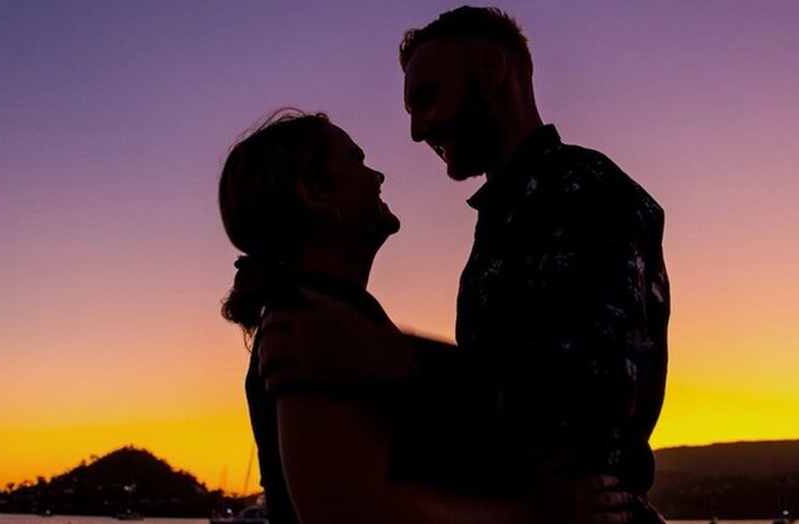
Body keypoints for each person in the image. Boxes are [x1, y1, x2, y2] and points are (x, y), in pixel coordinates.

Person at [258, 5, 670, 524]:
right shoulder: (504, 218)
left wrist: (393, 359)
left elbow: (594, 399)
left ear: (492, 70)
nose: (415, 131)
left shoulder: (585, 191)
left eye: (426, 97)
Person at [219, 109, 634, 523]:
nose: (377, 175)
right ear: (314, 195)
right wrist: (535, 514)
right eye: (355, 160)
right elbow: (348, 509)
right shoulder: (309, 321)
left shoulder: (335, 316)